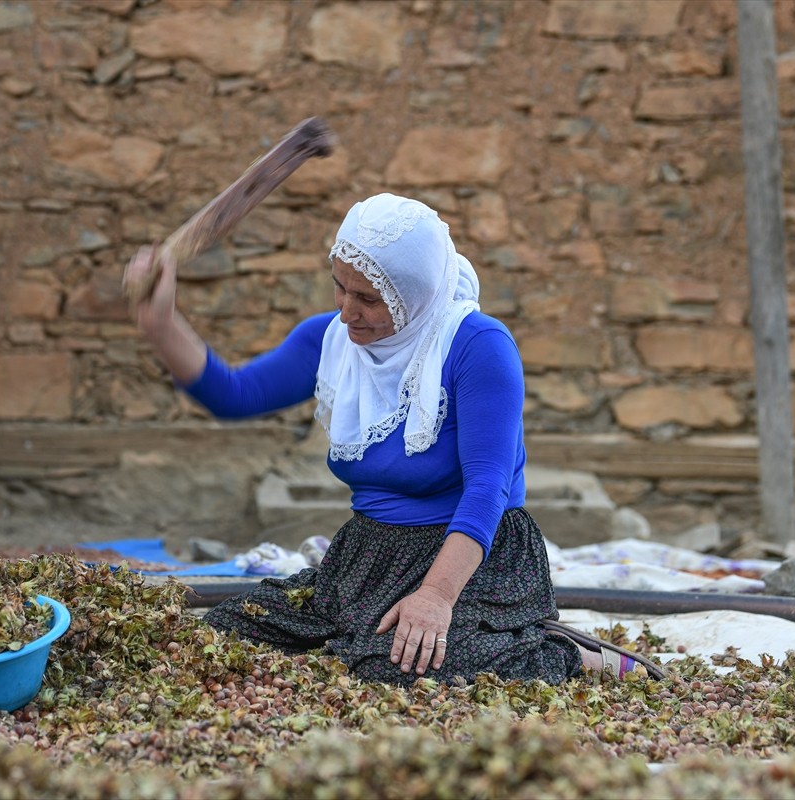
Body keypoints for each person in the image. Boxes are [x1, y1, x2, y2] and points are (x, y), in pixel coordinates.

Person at [125, 193, 664, 686]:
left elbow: (488, 488)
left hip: (473, 557)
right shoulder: (333, 339)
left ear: (416, 293)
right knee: (232, 630)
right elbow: (234, 394)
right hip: (369, 555)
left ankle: (569, 654)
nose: (346, 310)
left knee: (397, 667)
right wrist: (162, 324)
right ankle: (388, 634)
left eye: (368, 298)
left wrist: (435, 596)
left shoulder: (477, 346)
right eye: (339, 286)